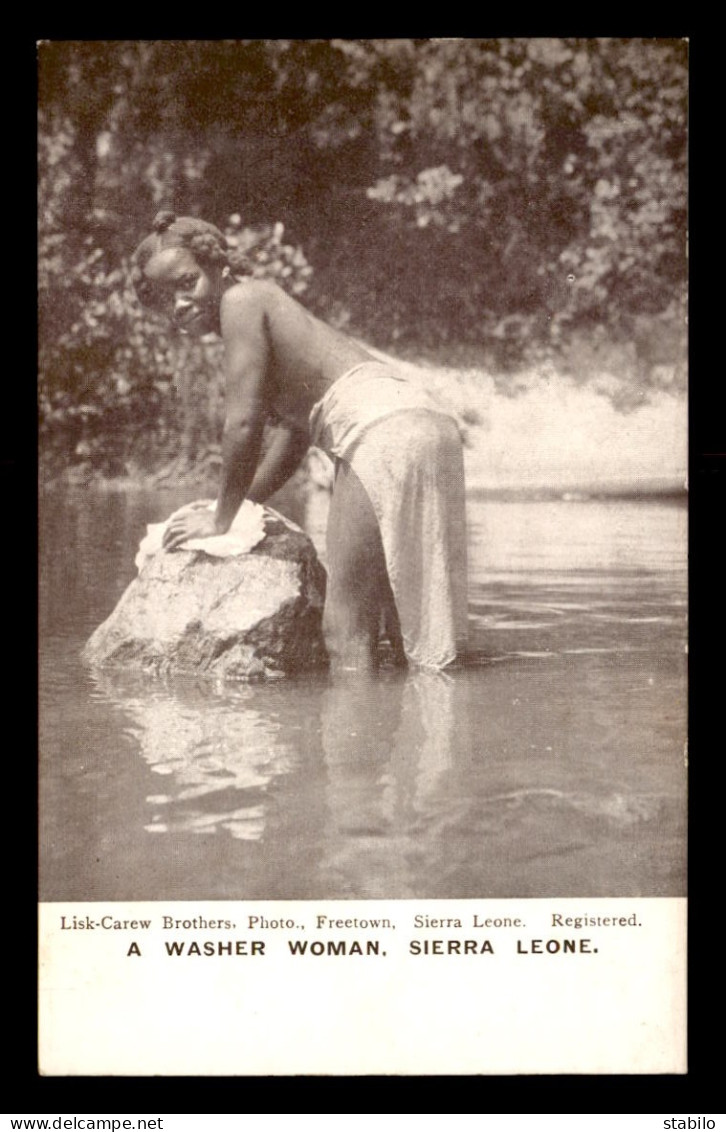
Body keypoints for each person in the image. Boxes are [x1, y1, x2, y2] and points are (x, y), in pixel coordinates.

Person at [132, 211, 468, 672]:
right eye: (165, 298)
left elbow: (243, 424)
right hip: (427, 425)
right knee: (408, 627)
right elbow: (295, 433)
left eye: (187, 283)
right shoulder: (264, 306)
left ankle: (354, 739)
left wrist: (221, 518)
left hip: (381, 429)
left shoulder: (242, 302)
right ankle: (428, 736)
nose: (179, 304)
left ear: (219, 267)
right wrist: (246, 503)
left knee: (346, 634)